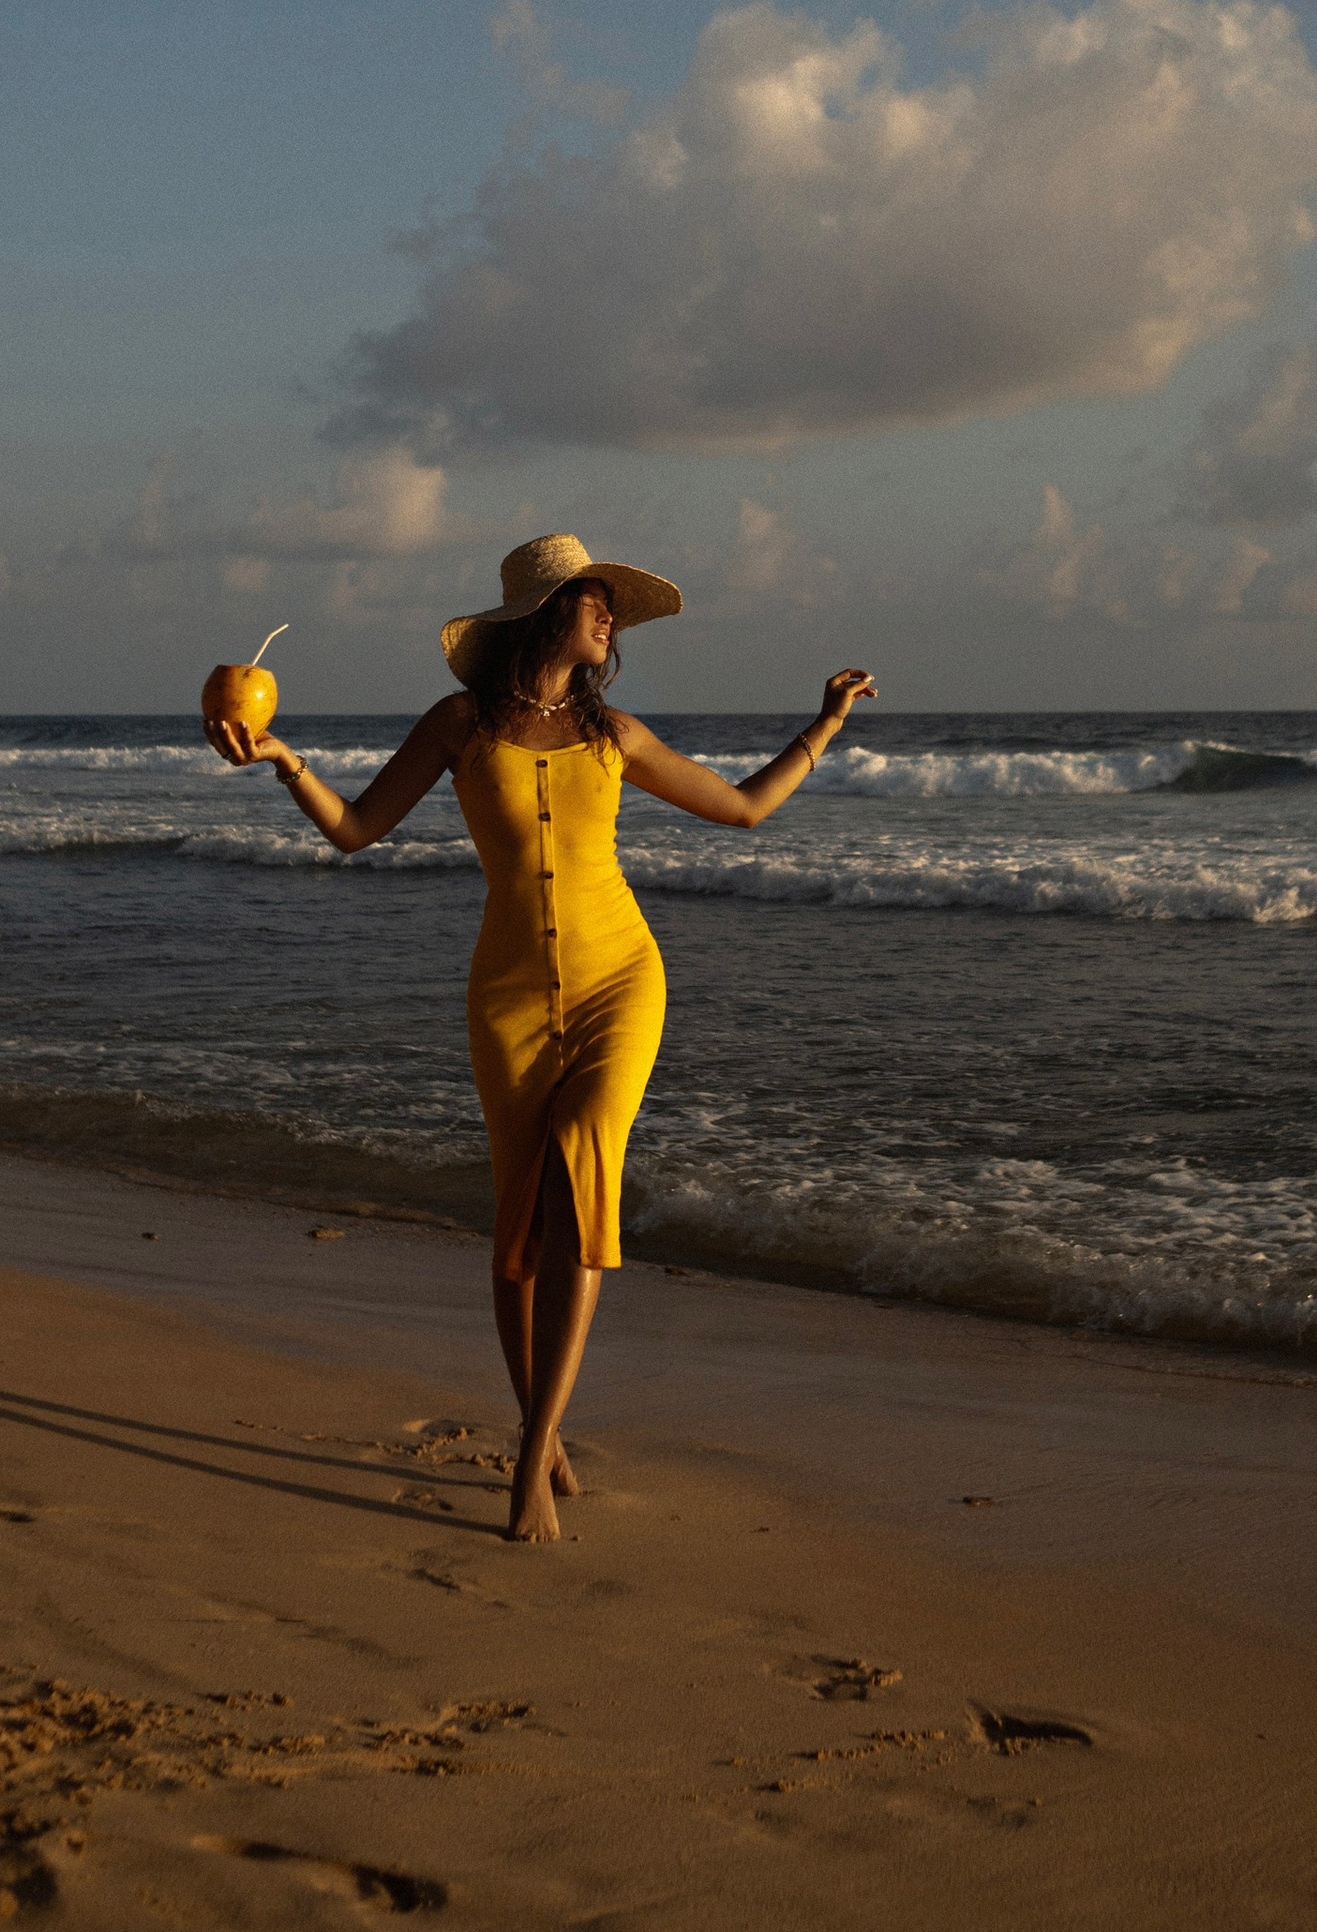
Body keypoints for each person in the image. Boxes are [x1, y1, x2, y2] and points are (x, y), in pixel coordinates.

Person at [206, 532, 875, 1542]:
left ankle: (531, 1452)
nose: (610, 621)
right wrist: (285, 760)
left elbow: (742, 808)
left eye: (610, 607)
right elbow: (355, 830)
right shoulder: (458, 726)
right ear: (546, 613)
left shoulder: (615, 736)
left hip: (622, 980)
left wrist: (823, 725)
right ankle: (542, 1429)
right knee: (518, 1226)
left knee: (583, 1178)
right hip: (509, 998)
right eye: (595, 602)